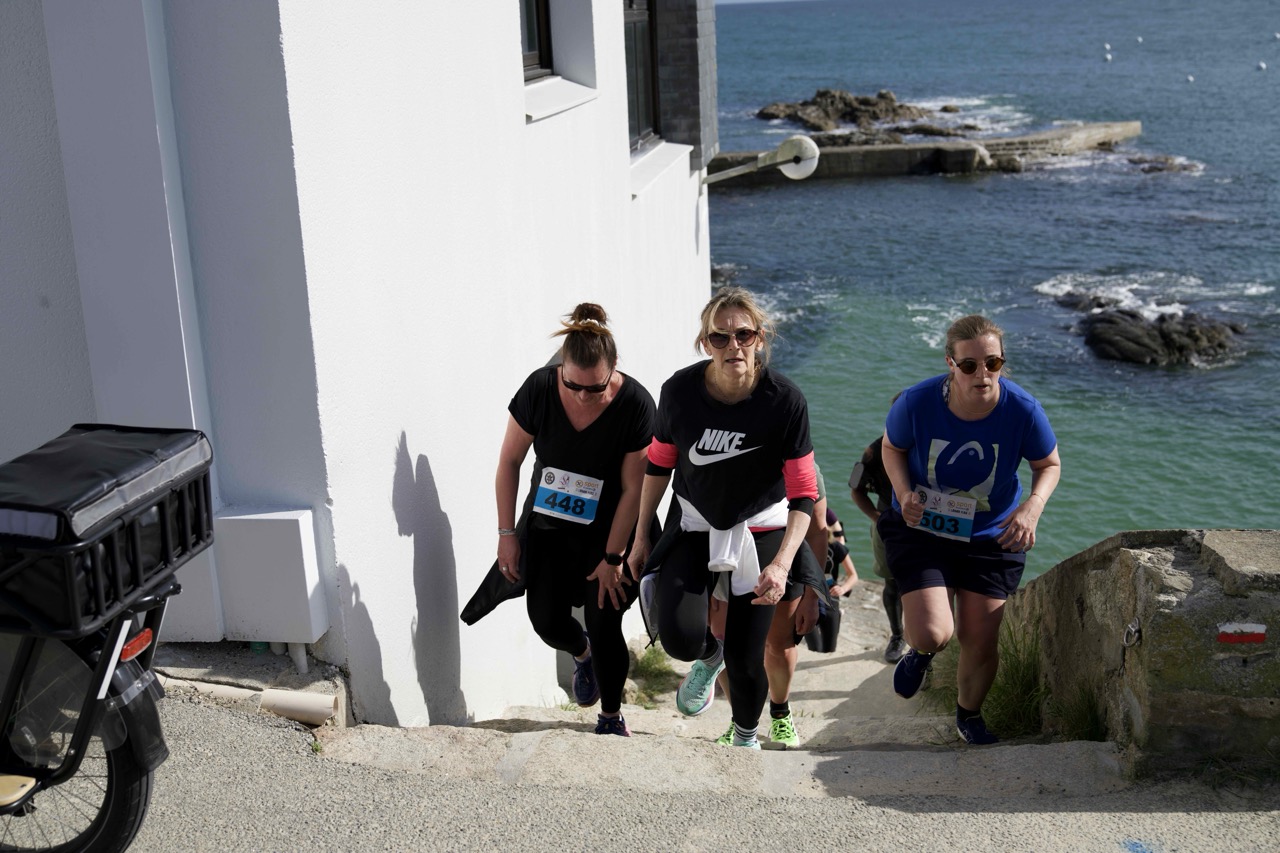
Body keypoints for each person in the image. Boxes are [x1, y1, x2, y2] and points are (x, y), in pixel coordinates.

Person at [628, 286, 824, 750]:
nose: (733, 345)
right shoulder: (679, 392)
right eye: (720, 337)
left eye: (744, 335)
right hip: (695, 522)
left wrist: (782, 565)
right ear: (705, 344)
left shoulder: (785, 400)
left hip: (763, 527)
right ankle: (707, 653)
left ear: (760, 338)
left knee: (747, 654)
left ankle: (746, 738)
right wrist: (641, 536)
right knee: (678, 638)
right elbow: (658, 465)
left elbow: (803, 494)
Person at [878, 315, 1061, 745]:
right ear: (950, 363)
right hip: (923, 528)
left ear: (1002, 362)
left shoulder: (1023, 410)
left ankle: (968, 715)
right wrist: (903, 493)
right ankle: (920, 653)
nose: (983, 374)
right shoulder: (917, 402)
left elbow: (1048, 464)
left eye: (993, 363)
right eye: (969, 365)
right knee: (933, 633)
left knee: (979, 637)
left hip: (992, 535)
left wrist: (1032, 509)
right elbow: (891, 447)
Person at [495, 303, 656, 737]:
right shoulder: (538, 389)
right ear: (562, 367)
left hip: (611, 528)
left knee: (604, 622)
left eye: (596, 388)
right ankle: (580, 653)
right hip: (550, 527)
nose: (584, 396)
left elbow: (633, 490)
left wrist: (614, 556)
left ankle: (611, 716)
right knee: (546, 621)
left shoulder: (636, 404)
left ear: (614, 367)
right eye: (573, 385)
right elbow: (509, 462)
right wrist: (507, 533)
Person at [848, 431, 907, 662]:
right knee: (892, 583)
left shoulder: (933, 446)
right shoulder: (874, 451)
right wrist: (877, 518)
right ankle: (897, 636)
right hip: (889, 522)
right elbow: (856, 490)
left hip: (929, 525)